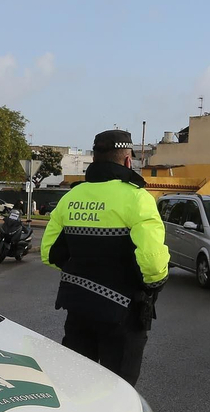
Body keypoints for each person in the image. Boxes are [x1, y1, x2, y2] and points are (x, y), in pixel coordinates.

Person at [40, 129, 169, 385]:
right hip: (123, 313)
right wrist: (153, 284)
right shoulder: (137, 198)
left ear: (95, 159)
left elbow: (49, 253)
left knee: (76, 385)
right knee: (119, 391)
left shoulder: (71, 197)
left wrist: (85, 271)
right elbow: (153, 264)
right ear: (127, 160)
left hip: (78, 309)